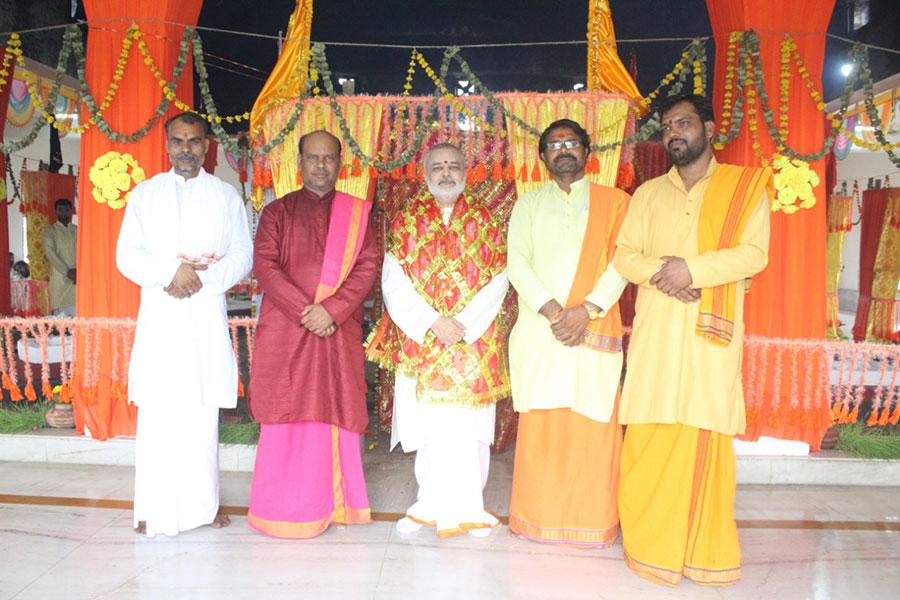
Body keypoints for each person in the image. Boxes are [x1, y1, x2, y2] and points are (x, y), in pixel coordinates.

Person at [614, 93, 771, 586]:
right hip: (658, 333)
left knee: (703, 434)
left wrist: (694, 271)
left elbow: (754, 254)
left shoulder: (743, 188)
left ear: (708, 127)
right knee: (649, 435)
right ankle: (649, 549)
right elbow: (624, 257)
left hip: (710, 342)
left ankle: (704, 553)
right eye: (666, 127)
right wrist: (669, 273)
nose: (673, 133)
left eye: (682, 123)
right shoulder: (647, 194)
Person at [116, 111, 252, 537]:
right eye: (178, 141)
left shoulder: (226, 195)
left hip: (204, 314)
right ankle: (152, 509)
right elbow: (127, 255)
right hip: (160, 315)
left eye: (194, 141)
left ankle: (204, 506)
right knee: (158, 412)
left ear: (207, 145)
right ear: (167, 145)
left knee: (200, 412)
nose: (186, 150)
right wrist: (169, 274)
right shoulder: (145, 194)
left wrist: (200, 280)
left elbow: (241, 255)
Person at [366, 143, 509, 538]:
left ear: (467, 170)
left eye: (454, 165)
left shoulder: (486, 219)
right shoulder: (407, 219)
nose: (446, 173)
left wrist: (461, 324)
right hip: (424, 344)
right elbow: (393, 281)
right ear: (424, 172)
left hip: (471, 344)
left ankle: (470, 510)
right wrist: (431, 322)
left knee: (469, 432)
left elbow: (500, 279)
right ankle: (426, 504)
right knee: (429, 430)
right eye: (438, 166)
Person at [506, 119, 630, 547]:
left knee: (592, 428)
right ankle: (535, 519)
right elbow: (516, 263)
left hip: (592, 333)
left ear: (587, 151)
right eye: (554, 144)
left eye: (571, 143)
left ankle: (592, 522)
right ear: (542, 157)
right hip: (543, 334)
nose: (563, 150)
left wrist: (588, 310)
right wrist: (556, 312)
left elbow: (624, 262)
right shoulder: (528, 204)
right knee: (544, 430)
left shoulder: (616, 203)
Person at [248, 130, 377, 539]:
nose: (321, 165)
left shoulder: (358, 215)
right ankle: (283, 507)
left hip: (336, 332)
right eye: (313, 158)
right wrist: (308, 313)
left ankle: (338, 505)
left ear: (341, 163)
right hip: (288, 331)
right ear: (299, 163)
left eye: (328, 158)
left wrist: (332, 311)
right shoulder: (277, 213)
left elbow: (368, 267)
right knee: (286, 406)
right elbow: (265, 265)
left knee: (335, 405)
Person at [43, 198, 77, 316]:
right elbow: (51, 254)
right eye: (60, 210)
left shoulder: (77, 230)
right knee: (61, 321)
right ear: (55, 211)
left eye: (67, 210)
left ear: (71, 211)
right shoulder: (50, 231)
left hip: (77, 278)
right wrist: (67, 271)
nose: (64, 213)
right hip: (60, 278)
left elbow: (84, 250)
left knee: (78, 316)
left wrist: (78, 271)